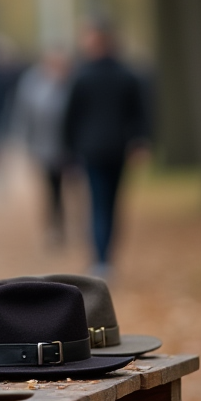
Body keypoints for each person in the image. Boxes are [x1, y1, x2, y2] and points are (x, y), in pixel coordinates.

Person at [62, 20, 149, 279]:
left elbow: (70, 117)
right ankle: (106, 256)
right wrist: (140, 141)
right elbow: (140, 113)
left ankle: (101, 258)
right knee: (111, 204)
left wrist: (69, 150)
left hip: (92, 148)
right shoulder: (127, 74)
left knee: (98, 203)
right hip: (117, 147)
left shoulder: (82, 76)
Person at [13, 49, 73, 247]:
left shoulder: (71, 82)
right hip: (43, 146)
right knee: (50, 189)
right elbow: (26, 113)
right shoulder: (32, 84)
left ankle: (68, 225)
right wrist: (28, 142)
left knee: (69, 188)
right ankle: (53, 227)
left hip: (69, 146)